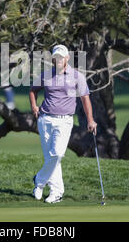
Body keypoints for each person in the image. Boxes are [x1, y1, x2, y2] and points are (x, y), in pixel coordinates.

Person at [29, 44, 97, 203]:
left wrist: (90, 120)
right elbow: (33, 90)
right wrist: (34, 106)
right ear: (53, 58)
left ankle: (39, 180)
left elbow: (85, 98)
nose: (58, 59)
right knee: (51, 158)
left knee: (57, 154)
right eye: (56, 57)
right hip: (45, 119)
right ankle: (56, 193)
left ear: (67, 58)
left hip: (64, 120)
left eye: (61, 57)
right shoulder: (46, 75)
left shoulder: (76, 76)